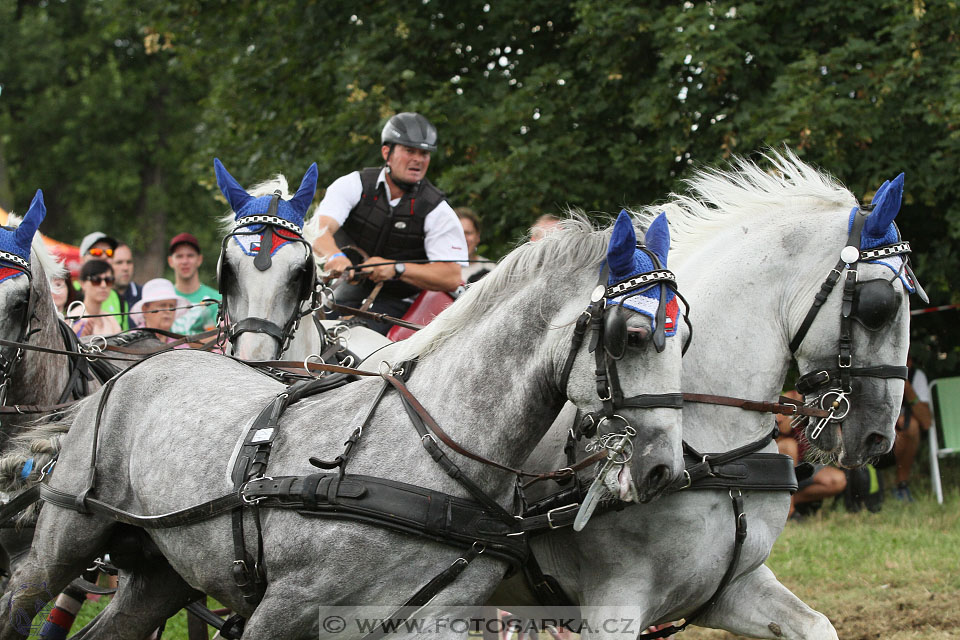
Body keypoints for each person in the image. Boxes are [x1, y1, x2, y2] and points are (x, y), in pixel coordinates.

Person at [307, 112, 467, 334]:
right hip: (347, 289)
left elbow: (451, 277)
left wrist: (396, 269)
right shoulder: (354, 184)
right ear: (387, 152)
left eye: (424, 153)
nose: (418, 159)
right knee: (308, 328)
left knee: (358, 340)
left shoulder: (437, 210)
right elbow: (319, 230)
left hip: (401, 303)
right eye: (409, 151)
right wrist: (335, 257)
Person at [776, 390, 847, 519]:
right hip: (779, 468)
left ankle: (783, 503)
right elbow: (784, 428)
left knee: (838, 480)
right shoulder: (786, 400)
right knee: (789, 446)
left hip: (801, 466)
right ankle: (790, 512)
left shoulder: (821, 403)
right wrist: (799, 410)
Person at [878, 356, 932, 502]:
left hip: (901, 440)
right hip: (876, 438)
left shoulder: (916, 376)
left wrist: (907, 388)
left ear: (910, 362)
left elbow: (927, 422)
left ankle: (901, 485)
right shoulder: (877, 374)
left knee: (912, 425)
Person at [167, 232, 221, 335]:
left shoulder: (217, 299)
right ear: (170, 261)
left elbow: (219, 340)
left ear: (199, 259)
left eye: (190, 255)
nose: (185, 261)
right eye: (179, 256)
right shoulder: (164, 300)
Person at [77, 231, 130, 330]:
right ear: (82, 259)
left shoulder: (119, 299)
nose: (104, 256)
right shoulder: (68, 291)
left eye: (109, 253)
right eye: (97, 252)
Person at [69, 260, 122, 338]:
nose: (103, 285)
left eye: (108, 280)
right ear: (82, 283)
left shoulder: (110, 319)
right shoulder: (74, 317)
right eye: (96, 280)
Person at [456, 207, 490, 283]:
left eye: (468, 233)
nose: (463, 239)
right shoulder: (438, 272)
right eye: (458, 234)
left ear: (478, 236)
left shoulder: (493, 271)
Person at [111, 243, 142, 316]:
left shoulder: (144, 296)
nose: (125, 268)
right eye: (119, 263)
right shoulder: (100, 297)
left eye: (129, 262)